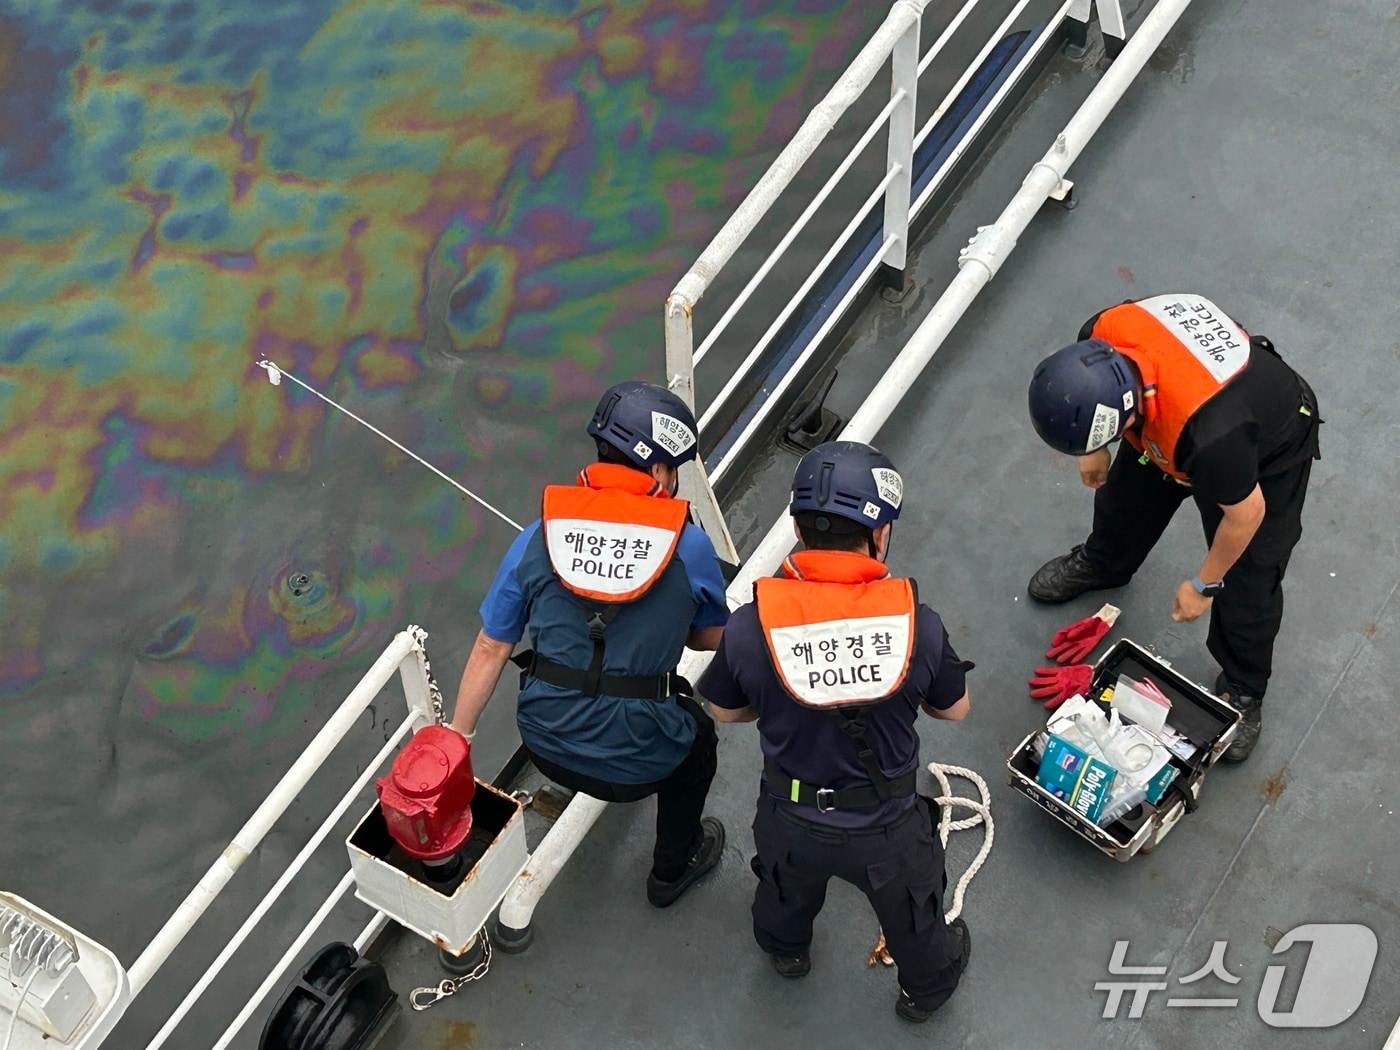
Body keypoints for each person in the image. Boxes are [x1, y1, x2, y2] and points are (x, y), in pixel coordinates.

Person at [697, 440, 972, 1023]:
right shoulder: (918, 627)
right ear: (881, 534)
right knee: (915, 916)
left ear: (797, 526)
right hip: (887, 825)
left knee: (782, 892)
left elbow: (724, 710)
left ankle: (787, 952)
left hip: (791, 814)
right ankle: (924, 991)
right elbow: (956, 710)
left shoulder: (751, 627)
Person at [448, 381, 730, 915]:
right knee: (699, 738)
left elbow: (490, 646)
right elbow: (710, 635)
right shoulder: (687, 545)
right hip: (643, 764)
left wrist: (456, 740)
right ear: (657, 473)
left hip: (543, 743)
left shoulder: (539, 534)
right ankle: (674, 867)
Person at [1026, 293, 1321, 762]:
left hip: (1261, 444)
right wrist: (1093, 449)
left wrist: (1203, 585)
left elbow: (1246, 516)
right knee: (1124, 499)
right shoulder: (1101, 336)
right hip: (1168, 419)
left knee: (1250, 573)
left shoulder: (1213, 439)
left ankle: (1244, 687)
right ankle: (1104, 562)